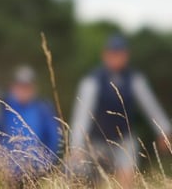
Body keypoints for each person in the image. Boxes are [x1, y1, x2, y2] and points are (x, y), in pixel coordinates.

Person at [68, 33, 172, 188]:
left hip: (124, 139)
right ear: (105, 55)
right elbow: (81, 115)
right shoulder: (92, 81)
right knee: (91, 182)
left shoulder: (135, 79)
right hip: (96, 141)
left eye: (120, 54)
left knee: (126, 178)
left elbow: (150, 106)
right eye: (113, 54)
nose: (116, 58)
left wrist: (164, 131)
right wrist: (76, 145)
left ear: (126, 55)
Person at [0, 65, 61, 183]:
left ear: (34, 88)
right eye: (20, 86)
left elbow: (54, 139)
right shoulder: (2, 106)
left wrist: (45, 164)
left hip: (36, 174)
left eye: (27, 87)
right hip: (6, 174)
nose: (23, 91)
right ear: (13, 87)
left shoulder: (43, 109)